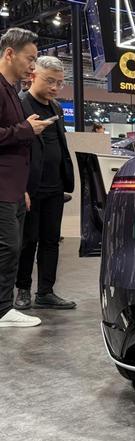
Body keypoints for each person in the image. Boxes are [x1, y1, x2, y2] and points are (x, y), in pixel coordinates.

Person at [0, 28, 54, 328]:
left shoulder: (10, 90)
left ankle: (4, 307)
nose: (32, 67)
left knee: (13, 246)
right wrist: (25, 130)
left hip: (13, 186)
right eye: (29, 59)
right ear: (10, 53)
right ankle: (2, 310)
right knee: (8, 246)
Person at [14, 56, 76, 311]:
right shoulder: (19, 105)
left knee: (51, 240)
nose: (54, 87)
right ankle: (23, 290)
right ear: (33, 77)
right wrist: (20, 187)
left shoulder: (57, 107)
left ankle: (46, 292)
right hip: (30, 187)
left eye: (59, 83)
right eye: (50, 81)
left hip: (55, 186)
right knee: (28, 241)